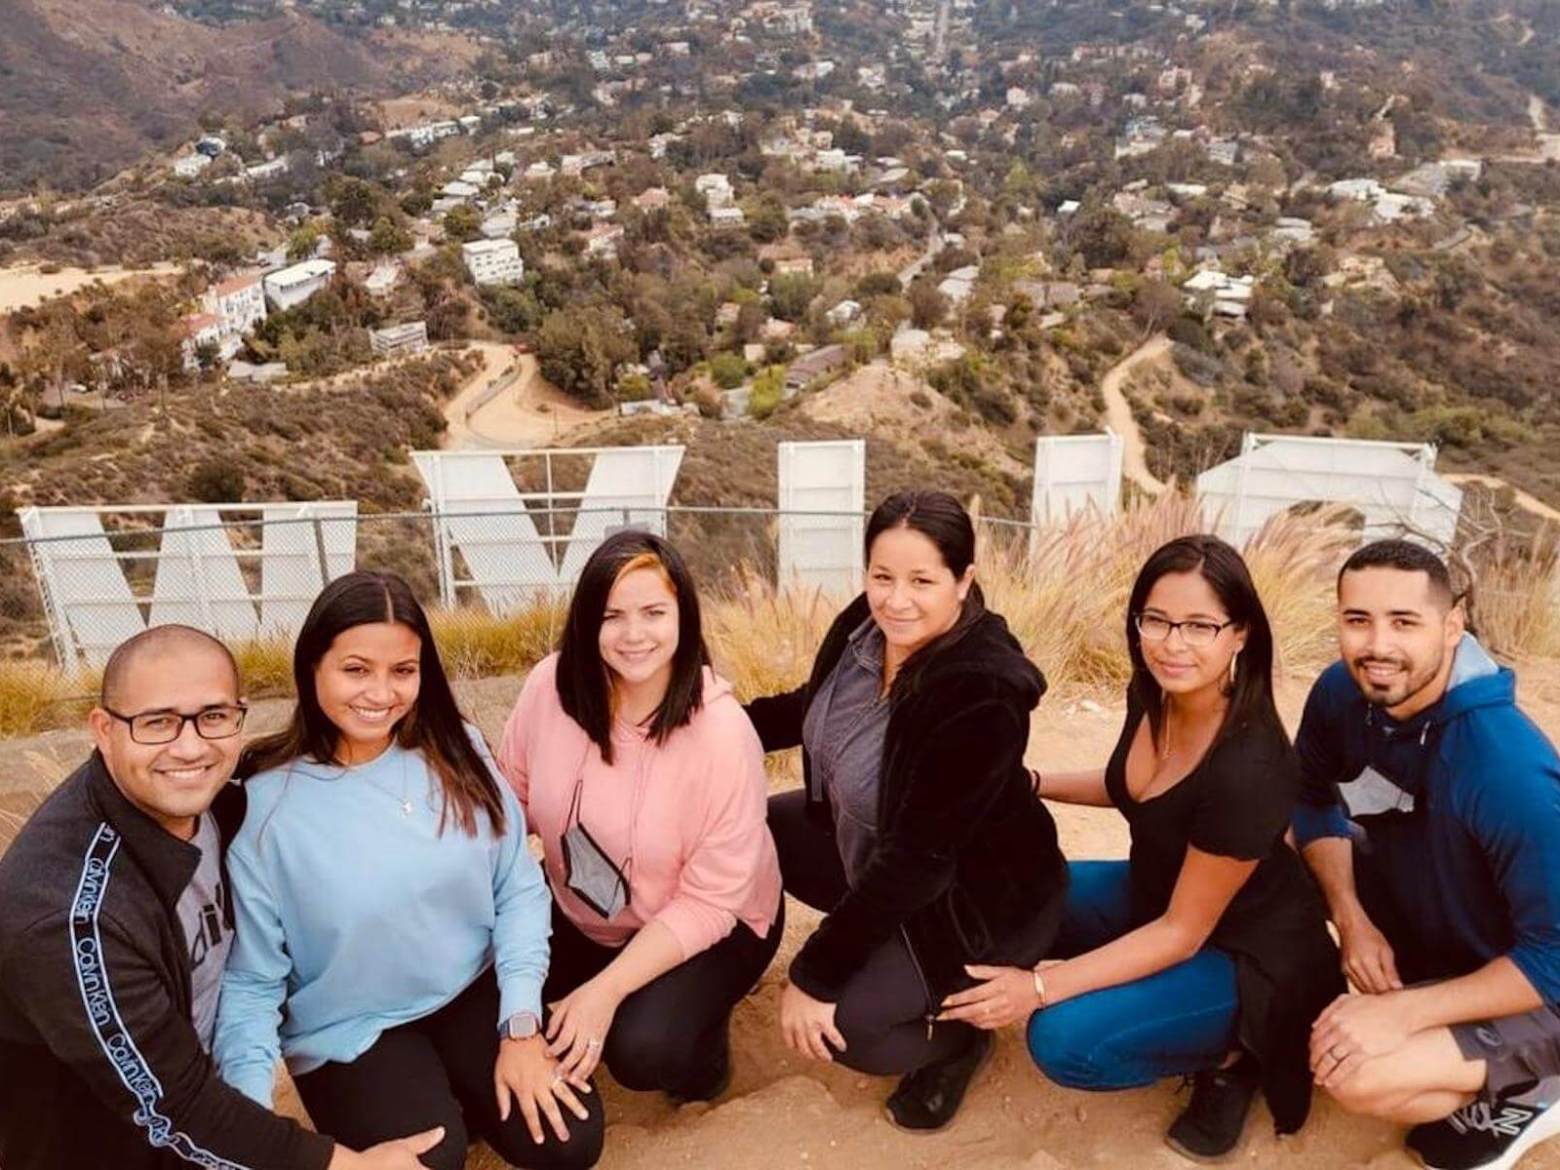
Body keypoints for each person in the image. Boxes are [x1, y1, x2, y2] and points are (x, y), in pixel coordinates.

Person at [950, 535, 1341, 1161]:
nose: (1172, 643)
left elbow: (1183, 933)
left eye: (1199, 625)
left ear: (1239, 633)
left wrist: (1041, 988)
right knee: (1003, 894)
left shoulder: (1250, 765)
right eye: (1155, 620)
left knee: (1061, 1038)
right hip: (1157, 893)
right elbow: (1131, 787)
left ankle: (1234, 1054)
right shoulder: (1156, 692)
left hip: (1246, 955)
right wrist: (1025, 780)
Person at [0, 624, 442, 1170]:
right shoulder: (71, 917)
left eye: (213, 717)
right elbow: (174, 1109)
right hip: (114, 1144)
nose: (190, 747)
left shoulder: (221, 803)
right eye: (156, 722)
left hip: (209, 1083)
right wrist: (350, 1166)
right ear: (103, 729)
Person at [213, 572, 604, 1170]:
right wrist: (249, 1117)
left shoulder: (461, 752)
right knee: (431, 1158)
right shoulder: (262, 807)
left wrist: (522, 1024)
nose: (381, 692)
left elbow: (519, 890)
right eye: (356, 669)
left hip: (473, 989)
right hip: (352, 1028)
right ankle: (442, 1104)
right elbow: (252, 980)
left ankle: (460, 1092)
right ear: (312, 666)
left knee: (569, 1142)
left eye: (402, 670)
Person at [746, 489, 1068, 1132]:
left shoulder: (982, 694)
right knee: (760, 832)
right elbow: (818, 705)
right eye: (882, 576)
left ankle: (955, 1041)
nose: (897, 599)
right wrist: (709, 721)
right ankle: (857, 950)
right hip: (881, 856)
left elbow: (920, 861)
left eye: (922, 580)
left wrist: (815, 974)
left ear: (963, 580)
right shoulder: (867, 629)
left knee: (849, 1030)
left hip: (967, 908)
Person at [1293, 539, 1560, 1170]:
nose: (1376, 645)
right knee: (1268, 843)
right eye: (1358, 620)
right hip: (1440, 932)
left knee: (1362, 1075)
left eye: (1403, 622)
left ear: (1451, 627)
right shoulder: (1341, 694)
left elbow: (1555, 957)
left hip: (1536, 981)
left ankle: (1537, 1092)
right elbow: (1306, 797)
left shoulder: (1504, 766)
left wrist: (1404, 1013)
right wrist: (1351, 918)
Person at [497, 530, 782, 1103]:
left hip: (713, 923)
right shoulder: (548, 689)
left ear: (684, 617)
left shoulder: (722, 735)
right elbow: (513, 800)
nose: (634, 635)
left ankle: (706, 1048)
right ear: (586, 622)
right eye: (612, 615)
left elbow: (711, 902)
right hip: (586, 910)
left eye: (654, 612)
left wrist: (605, 993)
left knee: (643, 1049)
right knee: (489, 995)